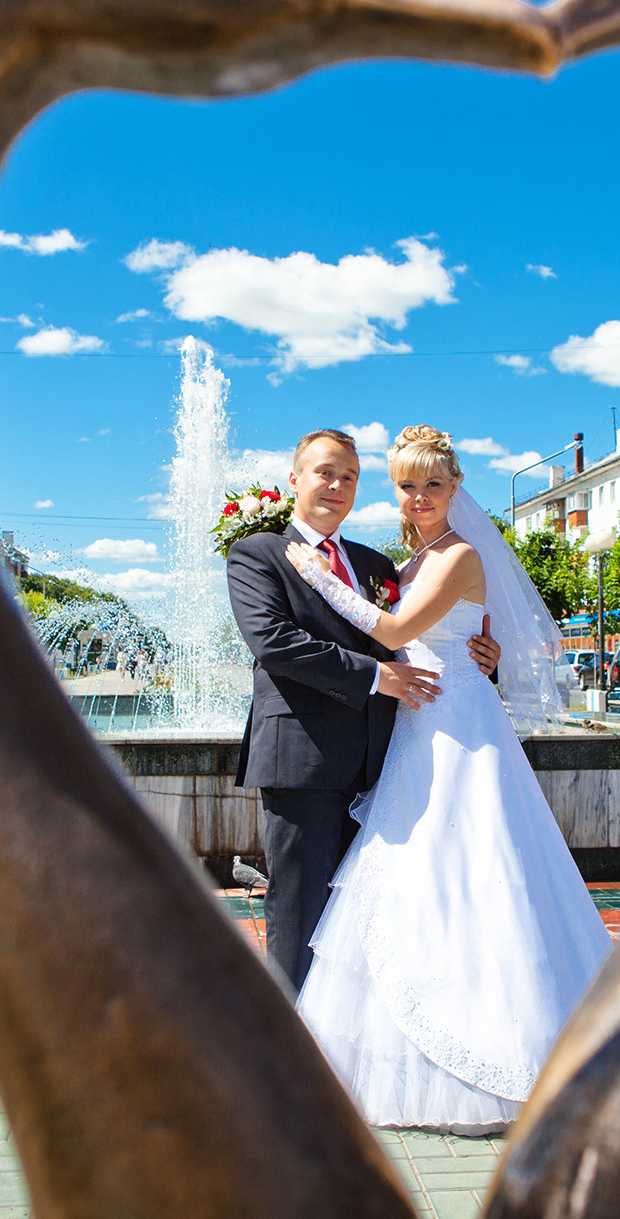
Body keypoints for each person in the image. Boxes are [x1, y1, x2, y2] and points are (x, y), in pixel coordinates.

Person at [280, 426, 610, 1135]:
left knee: (480, 868)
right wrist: (474, 648)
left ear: (456, 487)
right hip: (419, 725)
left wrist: (317, 576)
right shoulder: (414, 556)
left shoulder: (457, 555)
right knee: (419, 873)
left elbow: (395, 632)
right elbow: (417, 636)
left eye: (434, 483)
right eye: (407, 484)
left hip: (457, 725)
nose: (421, 496)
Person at [225, 428, 501, 999]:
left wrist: (482, 658)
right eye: (325, 472)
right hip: (305, 761)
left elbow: (415, 640)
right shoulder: (258, 554)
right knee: (300, 912)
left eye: (349, 476)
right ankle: (298, 1049)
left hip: (389, 764)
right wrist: (379, 677)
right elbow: (275, 643)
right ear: (295, 479)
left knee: (372, 917)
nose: (337, 484)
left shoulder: (379, 567)